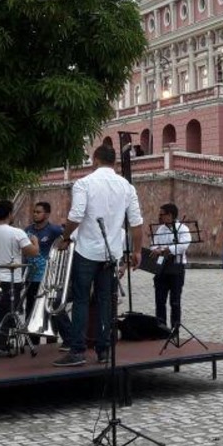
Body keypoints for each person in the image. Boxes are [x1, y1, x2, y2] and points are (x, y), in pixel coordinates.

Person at [53, 144, 144, 367]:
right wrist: (137, 250)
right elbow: (136, 222)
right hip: (111, 253)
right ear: (114, 162)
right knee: (106, 302)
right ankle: (104, 351)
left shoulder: (84, 183)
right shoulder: (126, 186)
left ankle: (77, 351)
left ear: (95, 160)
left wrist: (65, 237)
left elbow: (76, 214)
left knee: (81, 301)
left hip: (86, 251)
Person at [0, 200, 39, 354]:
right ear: (10, 214)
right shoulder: (17, 232)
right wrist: (36, 242)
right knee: (6, 313)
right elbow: (32, 252)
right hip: (11, 279)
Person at [23, 201, 67, 342]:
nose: (35, 214)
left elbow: (67, 241)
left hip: (48, 277)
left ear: (47, 214)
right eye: (34, 212)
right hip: (31, 277)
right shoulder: (27, 230)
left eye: (38, 212)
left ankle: (51, 339)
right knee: (30, 309)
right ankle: (31, 341)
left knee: (49, 309)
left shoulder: (55, 230)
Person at [151, 203, 192, 328]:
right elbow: (153, 244)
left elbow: (183, 245)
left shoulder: (182, 228)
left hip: (176, 267)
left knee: (175, 301)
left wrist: (165, 250)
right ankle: (161, 326)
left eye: (162, 214)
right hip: (161, 267)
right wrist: (156, 249)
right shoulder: (160, 229)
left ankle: (175, 328)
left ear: (170, 215)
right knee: (160, 300)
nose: (159, 217)